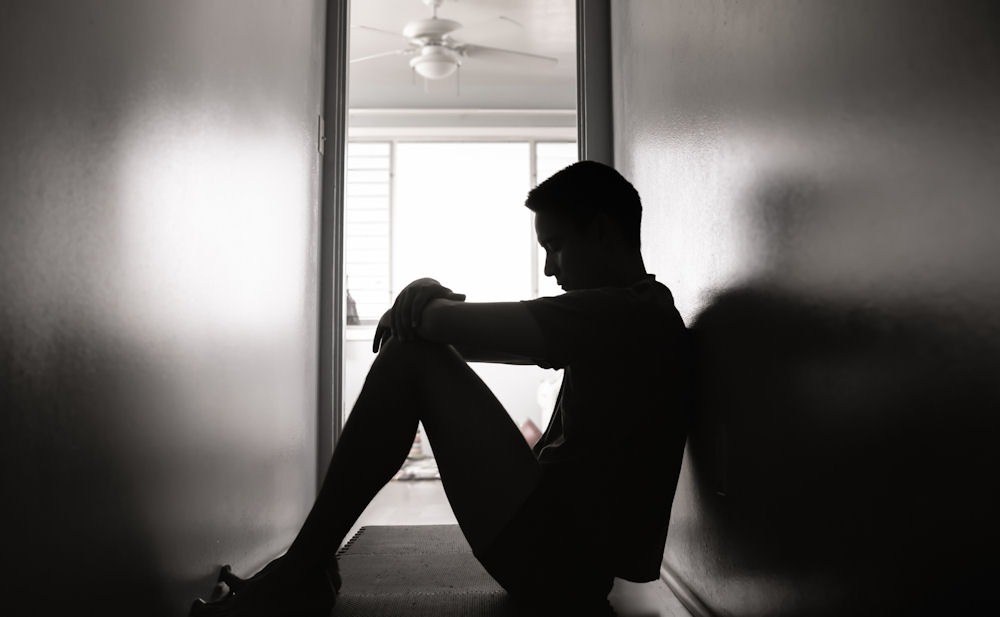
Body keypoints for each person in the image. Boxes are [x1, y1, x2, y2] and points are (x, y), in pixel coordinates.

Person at [189, 161, 691, 617]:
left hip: (560, 561)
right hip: (561, 550)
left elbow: (442, 326)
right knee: (414, 354)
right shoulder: (636, 312)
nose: (549, 269)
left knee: (408, 358)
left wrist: (421, 294)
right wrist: (428, 302)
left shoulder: (631, 314)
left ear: (602, 232)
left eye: (555, 246)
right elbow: (454, 333)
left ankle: (298, 572)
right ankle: (303, 568)